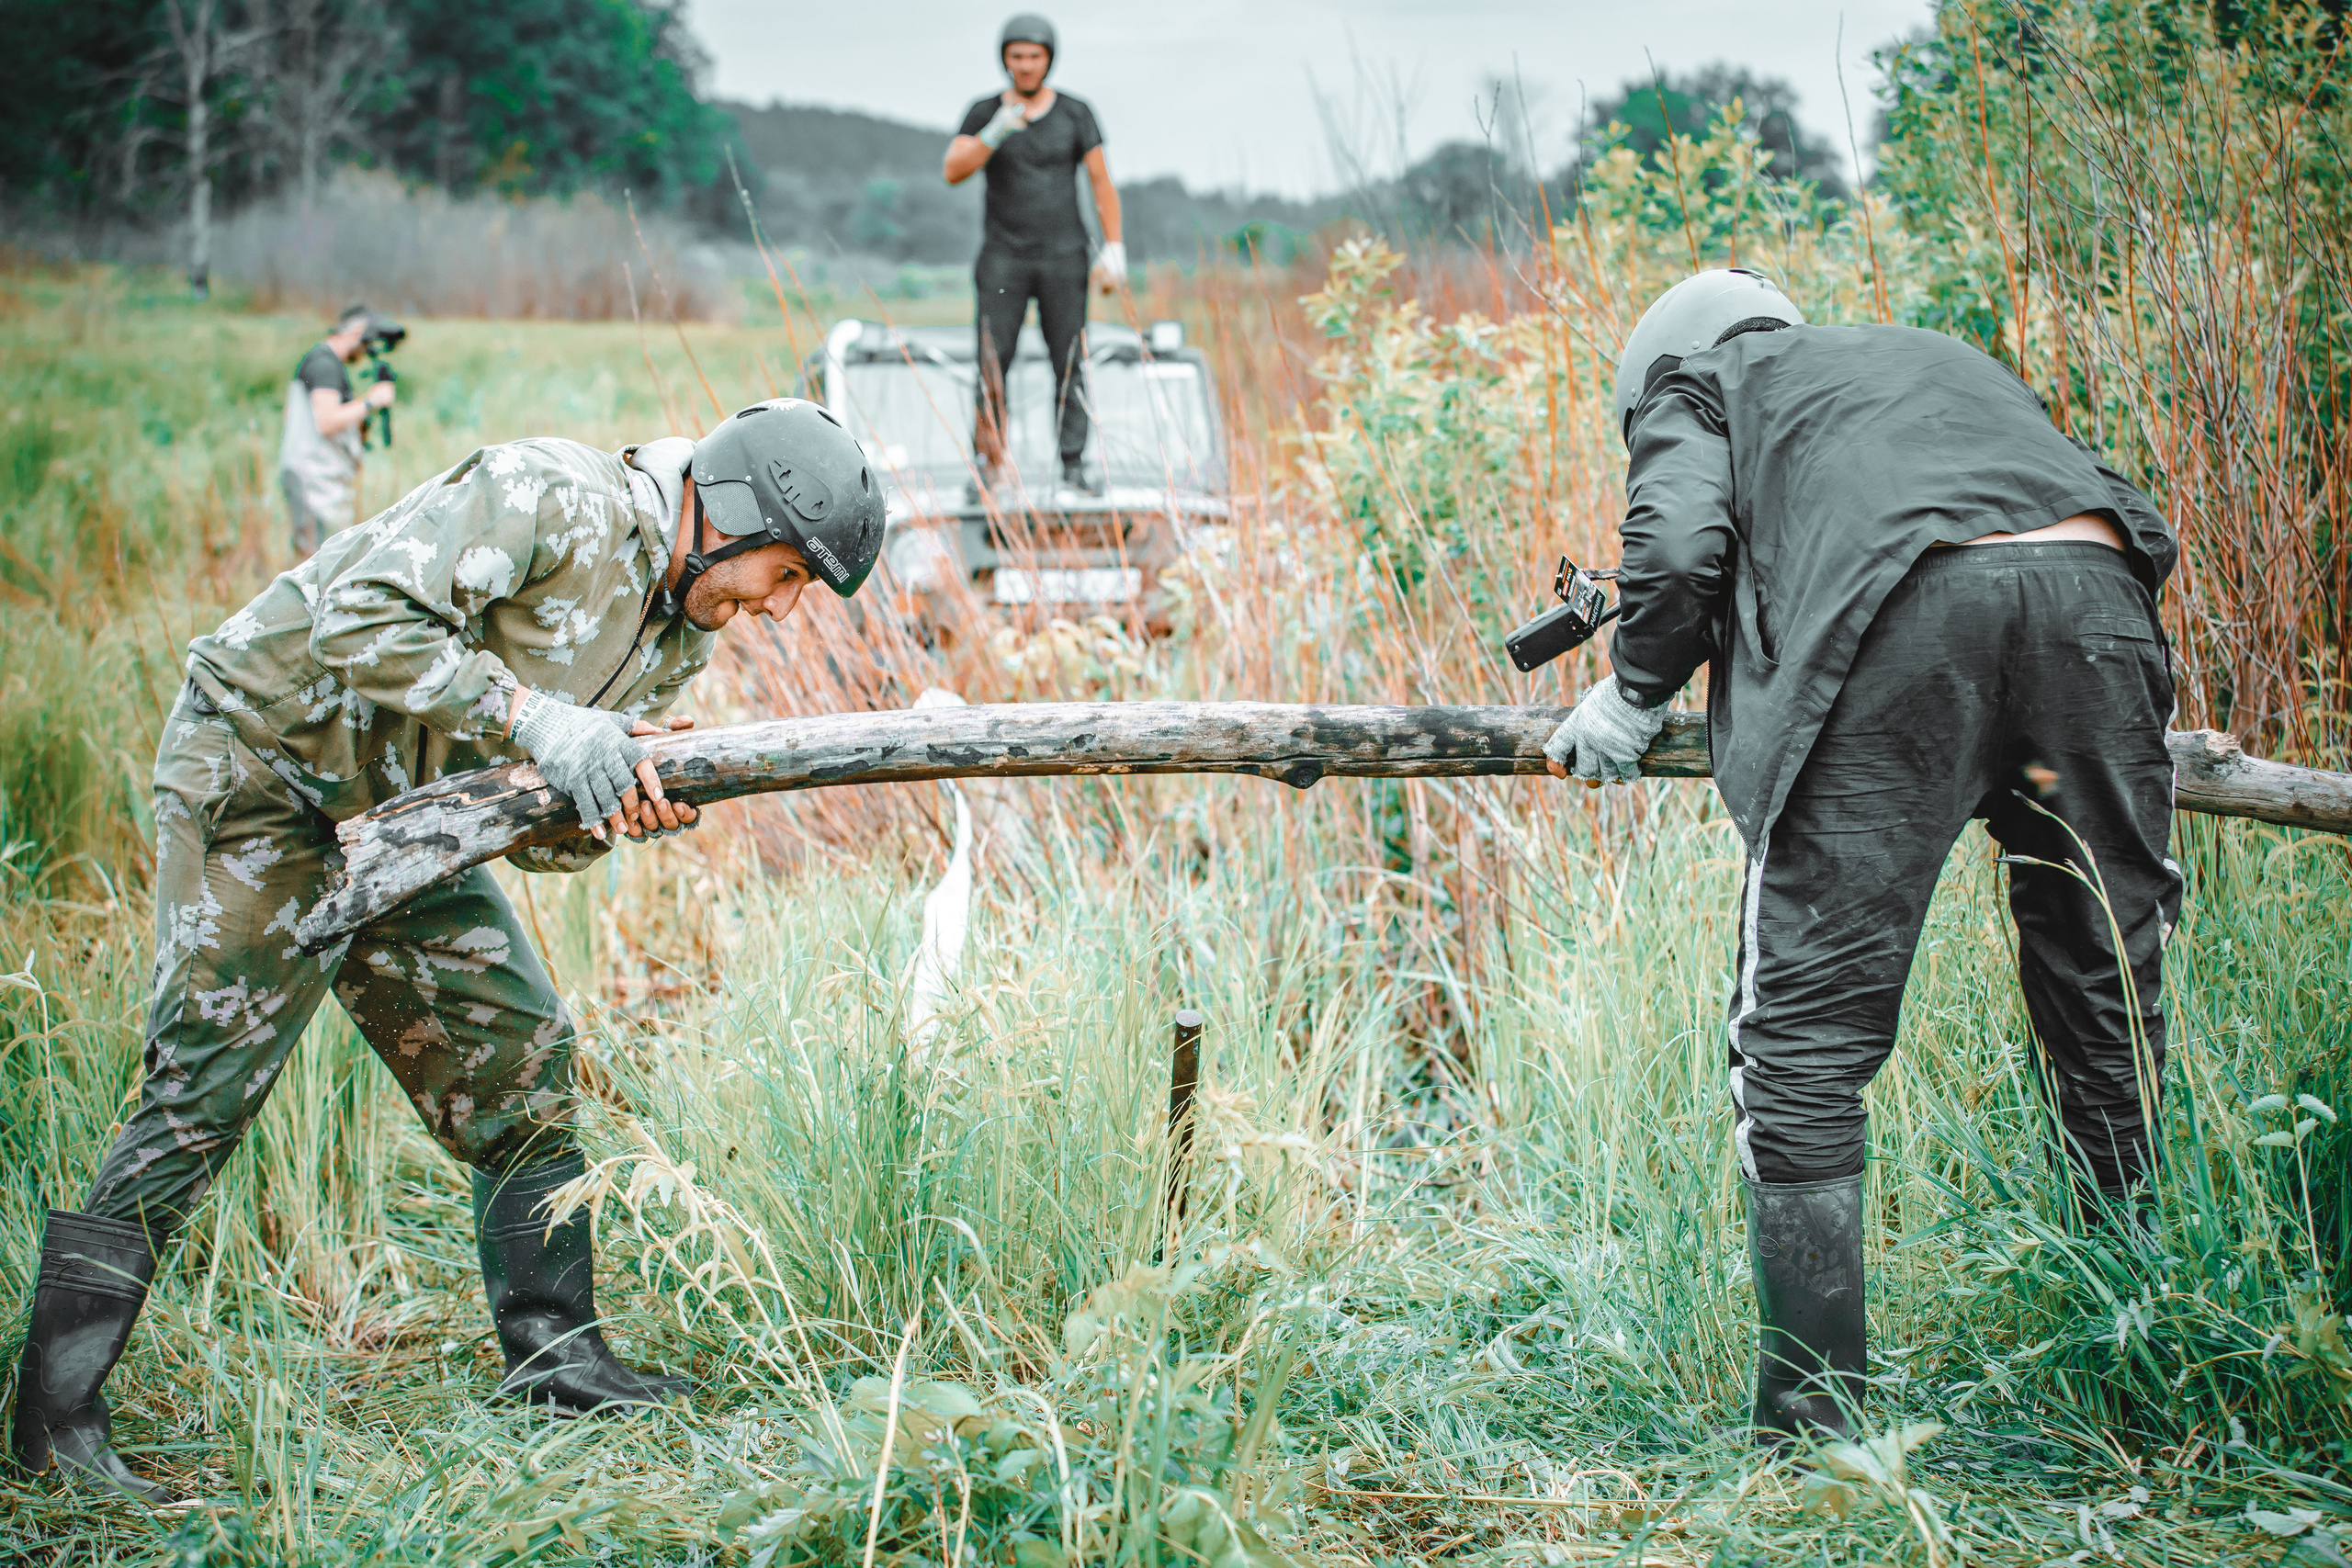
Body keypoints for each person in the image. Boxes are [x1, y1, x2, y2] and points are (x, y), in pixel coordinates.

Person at [10, 400, 885, 1505]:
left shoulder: (681, 638)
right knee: (203, 1088)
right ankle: (52, 1424)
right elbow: (355, 617)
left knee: (524, 1059)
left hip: (414, 822)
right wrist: (539, 720)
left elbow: (538, 832)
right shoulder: (549, 496)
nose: (781, 608)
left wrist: (610, 809)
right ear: (737, 510)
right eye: (788, 574)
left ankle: (558, 1364)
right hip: (264, 775)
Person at [1543, 270, 2180, 1445]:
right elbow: (2103, 502)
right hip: (2098, 602)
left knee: (1803, 1037)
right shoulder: (1930, 355)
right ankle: (2140, 1370)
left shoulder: (1701, 379)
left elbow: (1677, 553)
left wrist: (1631, 696)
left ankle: (1817, 1432)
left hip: (1906, 619)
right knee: (2105, 991)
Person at [943, 12, 1125, 494]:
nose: (1025, 65)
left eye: (1034, 56)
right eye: (1017, 56)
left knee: (1069, 361)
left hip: (1064, 257)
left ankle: (1074, 464)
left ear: (1049, 59)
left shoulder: (1075, 114)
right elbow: (953, 170)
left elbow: (1101, 182)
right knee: (992, 359)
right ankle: (989, 462)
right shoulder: (985, 112)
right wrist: (993, 134)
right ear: (1004, 59)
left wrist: (1114, 247)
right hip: (1004, 257)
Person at [279, 303, 396, 556]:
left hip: (317, 478)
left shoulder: (325, 362)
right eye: (366, 342)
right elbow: (326, 421)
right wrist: (371, 401)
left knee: (320, 559)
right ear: (355, 331)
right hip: (312, 479)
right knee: (316, 563)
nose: (366, 351)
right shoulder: (324, 364)